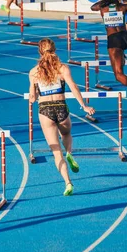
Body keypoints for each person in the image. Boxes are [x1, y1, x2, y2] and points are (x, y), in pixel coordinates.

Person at [28, 39, 95, 196]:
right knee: (66, 134)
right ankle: (70, 153)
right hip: (61, 107)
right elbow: (73, 86)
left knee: (56, 152)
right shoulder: (62, 68)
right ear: (55, 49)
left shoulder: (34, 72)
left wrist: (33, 93)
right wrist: (84, 106)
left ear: (39, 52)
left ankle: (68, 183)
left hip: (45, 110)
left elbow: (32, 97)